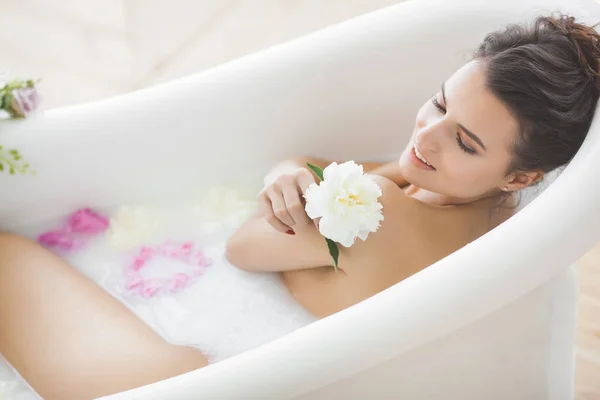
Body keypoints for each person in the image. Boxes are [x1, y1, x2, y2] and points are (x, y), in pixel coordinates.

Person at [1, 14, 599, 400]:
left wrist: (289, 174)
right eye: (440, 104)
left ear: (521, 173)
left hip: (169, 383)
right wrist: (289, 172)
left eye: (464, 141)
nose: (426, 138)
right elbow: (360, 182)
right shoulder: (494, 219)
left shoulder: (384, 209)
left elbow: (242, 246)